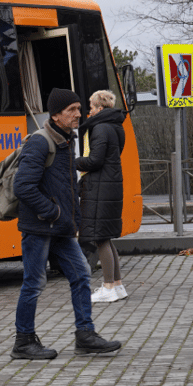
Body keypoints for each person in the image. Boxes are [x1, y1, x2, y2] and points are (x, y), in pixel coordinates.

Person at [10, 87, 122, 360]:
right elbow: (22, 186)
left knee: (82, 275)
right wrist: (54, 213)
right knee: (34, 283)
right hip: (40, 227)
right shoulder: (40, 142)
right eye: (71, 110)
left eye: (78, 108)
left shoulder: (66, 140)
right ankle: (23, 341)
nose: (78, 114)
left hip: (59, 228)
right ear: (56, 115)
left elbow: (67, 185)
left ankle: (85, 335)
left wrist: (72, 219)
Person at [76, 90, 129, 304]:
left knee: (100, 237)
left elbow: (95, 160)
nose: (88, 110)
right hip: (110, 184)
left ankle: (108, 287)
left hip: (100, 187)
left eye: (90, 105)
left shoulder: (99, 127)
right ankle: (117, 285)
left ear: (99, 108)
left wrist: (74, 161)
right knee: (105, 236)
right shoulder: (116, 126)